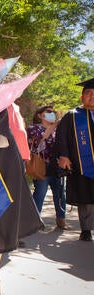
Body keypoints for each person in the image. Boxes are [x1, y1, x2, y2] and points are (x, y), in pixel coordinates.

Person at [56, 78, 94, 241]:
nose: (92, 96)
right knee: (86, 196)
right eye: (88, 93)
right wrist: (63, 155)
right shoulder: (72, 116)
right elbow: (61, 137)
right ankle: (86, 229)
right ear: (81, 97)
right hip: (82, 164)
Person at [27, 105, 68, 230]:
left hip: (56, 166)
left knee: (61, 194)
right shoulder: (33, 128)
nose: (52, 114)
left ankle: (61, 220)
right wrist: (55, 124)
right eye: (48, 112)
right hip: (41, 166)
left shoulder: (57, 130)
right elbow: (43, 137)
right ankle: (34, 222)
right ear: (40, 115)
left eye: (53, 112)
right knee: (40, 193)